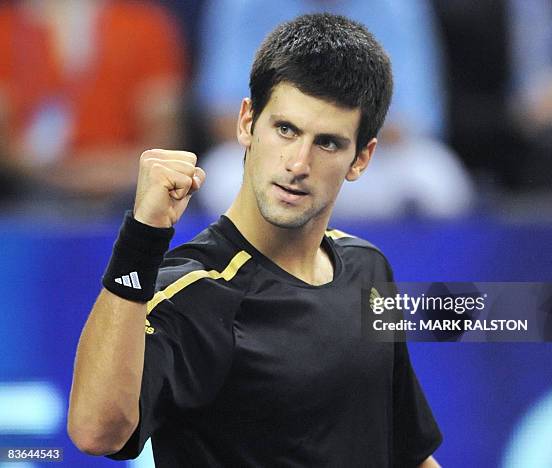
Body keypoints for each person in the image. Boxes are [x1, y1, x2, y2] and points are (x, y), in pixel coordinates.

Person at [67, 13, 442, 467]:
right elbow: (96, 431)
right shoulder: (192, 295)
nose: (298, 163)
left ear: (361, 158)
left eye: (327, 143)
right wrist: (141, 240)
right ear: (247, 122)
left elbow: (407, 454)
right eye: (285, 129)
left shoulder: (369, 268)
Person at [194, 0, 474, 219]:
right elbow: (225, 116)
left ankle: (405, 278)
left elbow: (415, 118)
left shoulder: (397, 6)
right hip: (279, 156)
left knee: (439, 180)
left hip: (366, 161)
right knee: (224, 178)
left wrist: (327, 131)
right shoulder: (244, 5)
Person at [0, 0, 185, 204]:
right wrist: (69, 174)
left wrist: (114, 171)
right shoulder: (7, 29)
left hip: (131, 184)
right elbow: (7, 145)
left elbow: (163, 134)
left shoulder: (143, 24)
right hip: (35, 188)